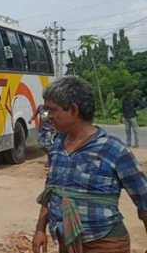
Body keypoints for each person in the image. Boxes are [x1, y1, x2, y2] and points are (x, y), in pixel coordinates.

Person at [32, 77, 147, 253]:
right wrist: (40, 230)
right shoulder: (57, 145)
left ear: (73, 110)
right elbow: (51, 191)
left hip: (105, 242)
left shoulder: (112, 148)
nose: (48, 116)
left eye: (53, 110)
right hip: (67, 242)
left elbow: (144, 199)